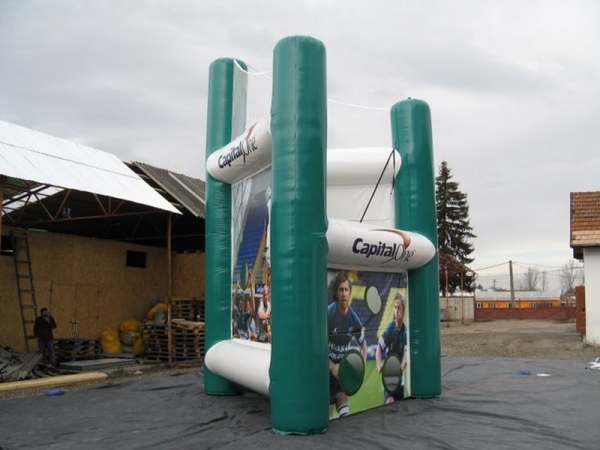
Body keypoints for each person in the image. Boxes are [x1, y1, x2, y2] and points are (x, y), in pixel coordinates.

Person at [327, 272, 367, 418]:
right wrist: (332, 366)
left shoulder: (354, 319)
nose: (344, 294)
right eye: (341, 290)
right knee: (328, 420)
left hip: (341, 377)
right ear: (336, 293)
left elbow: (364, 346)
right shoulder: (328, 314)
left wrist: (360, 368)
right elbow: (317, 346)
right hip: (325, 375)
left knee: (345, 417)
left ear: (350, 292)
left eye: (346, 290)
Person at [375, 292, 408, 404]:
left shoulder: (406, 331)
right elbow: (379, 348)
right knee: (390, 403)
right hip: (388, 376)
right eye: (395, 307)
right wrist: (379, 364)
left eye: (399, 308)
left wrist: (401, 368)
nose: (396, 311)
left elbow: (406, 354)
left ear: (404, 310)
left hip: (400, 378)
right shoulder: (390, 328)